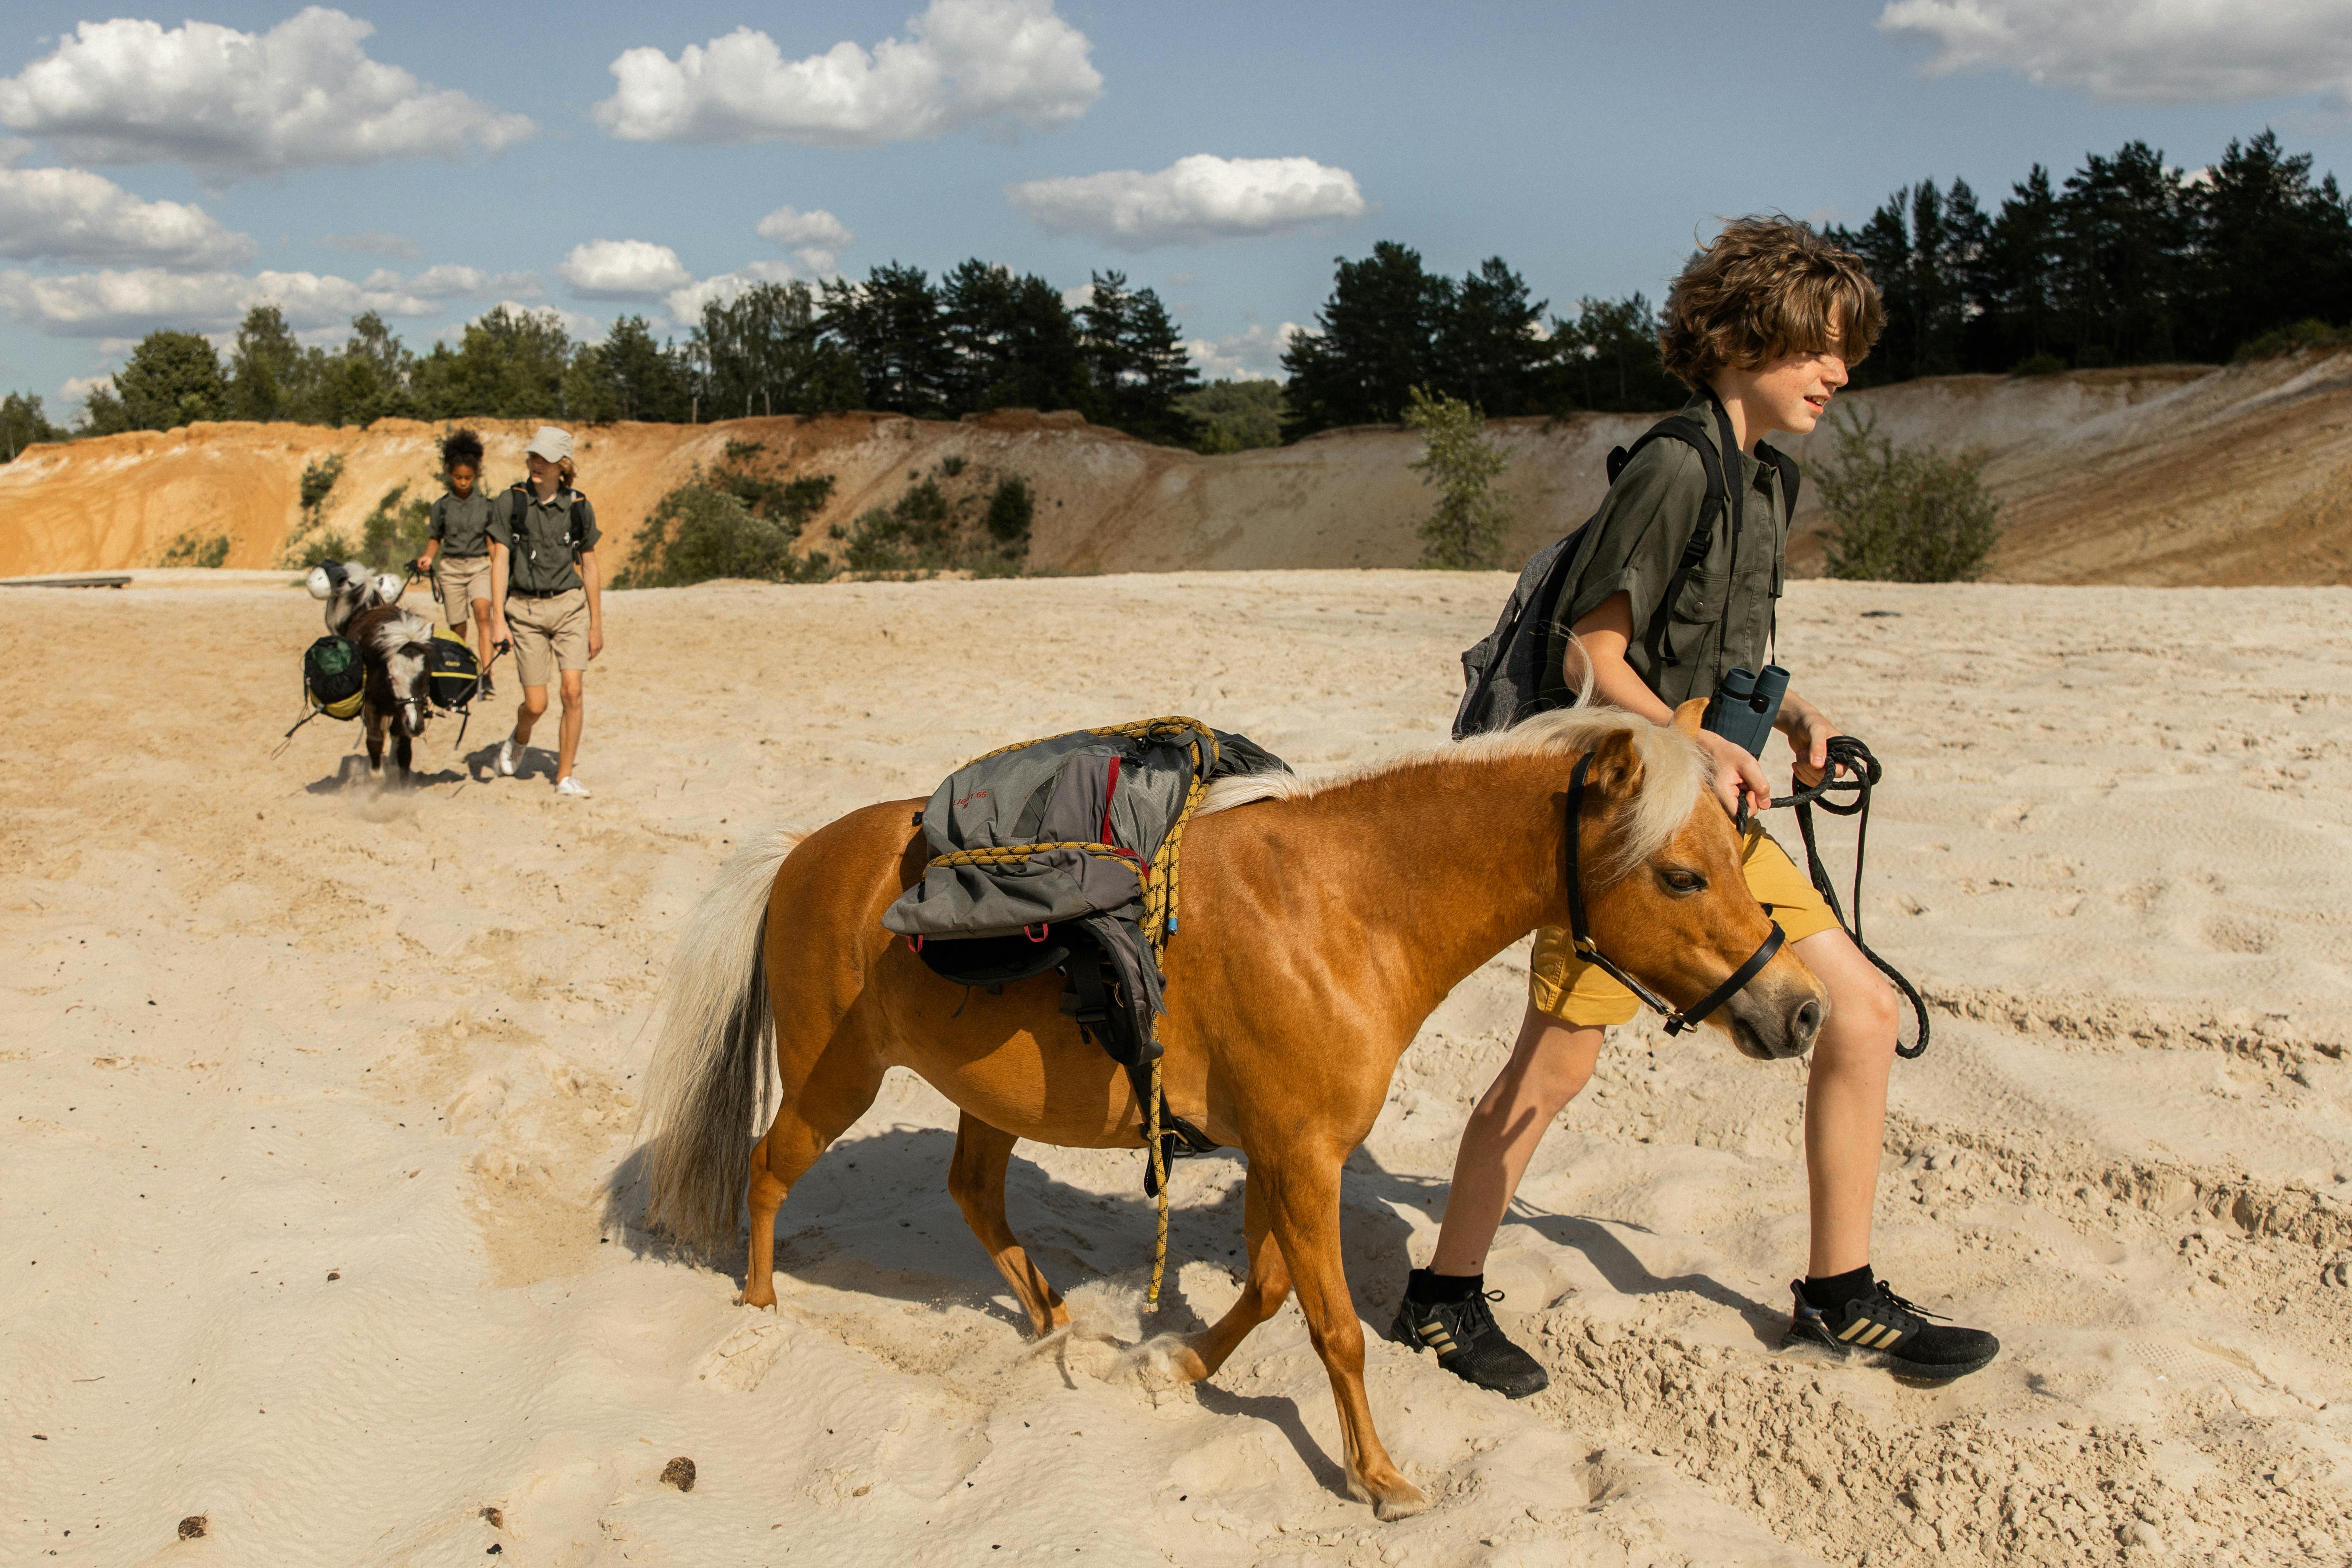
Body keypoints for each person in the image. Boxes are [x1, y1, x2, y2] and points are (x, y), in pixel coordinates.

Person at [1392, 217, 1999, 1395]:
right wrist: (1693, 746)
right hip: (1627, 821)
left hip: (1706, 806)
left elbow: (1706, 656)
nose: (1837, 372)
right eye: (1819, 347)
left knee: (1861, 1014)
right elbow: (1592, 659)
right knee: (1553, 1070)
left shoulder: (1763, 477)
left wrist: (1790, 716)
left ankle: (1839, 1294)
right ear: (1742, 338)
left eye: (1846, 351)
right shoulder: (1676, 464)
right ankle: (1441, 1297)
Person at [487, 425, 604, 797]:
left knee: (573, 692)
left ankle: (564, 776)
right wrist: (497, 620)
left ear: (563, 465)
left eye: (546, 459)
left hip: (570, 607)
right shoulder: (512, 502)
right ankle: (521, 736)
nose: (537, 464)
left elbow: (591, 565)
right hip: (524, 610)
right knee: (536, 704)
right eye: (534, 457)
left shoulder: (580, 507)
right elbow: (500, 561)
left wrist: (596, 624)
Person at [410, 428, 495, 694]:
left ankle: (488, 675)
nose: (463, 482)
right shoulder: (442, 507)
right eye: (458, 477)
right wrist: (427, 557)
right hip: (451, 569)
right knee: (458, 626)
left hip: (480, 565)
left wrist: (504, 570)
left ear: (475, 476)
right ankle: (462, 669)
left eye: (468, 478)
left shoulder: (488, 506)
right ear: (450, 475)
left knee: (483, 614)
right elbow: (436, 537)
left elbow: (492, 542)